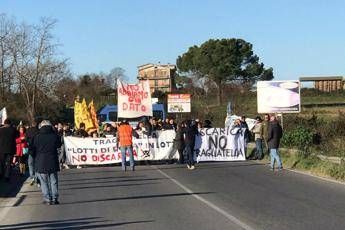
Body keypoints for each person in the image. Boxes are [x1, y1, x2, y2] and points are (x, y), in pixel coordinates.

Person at [31, 120, 62, 205]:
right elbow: (59, 145)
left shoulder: (36, 136)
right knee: (53, 180)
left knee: (43, 182)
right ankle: (55, 198)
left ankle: (47, 198)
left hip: (40, 161)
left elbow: (32, 150)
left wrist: (35, 157)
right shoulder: (54, 136)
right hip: (52, 159)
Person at [26, 121, 39, 185]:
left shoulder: (28, 130)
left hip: (31, 149)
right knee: (36, 164)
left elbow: (26, 139)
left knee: (30, 163)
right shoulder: (38, 131)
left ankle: (32, 176)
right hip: (37, 149)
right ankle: (36, 177)